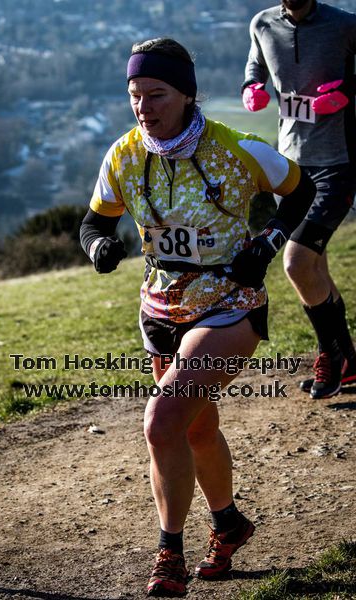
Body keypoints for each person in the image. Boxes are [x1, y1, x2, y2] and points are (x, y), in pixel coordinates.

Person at [80, 38, 315, 597]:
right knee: (197, 427)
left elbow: (302, 190)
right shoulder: (124, 154)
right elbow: (93, 224)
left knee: (161, 423)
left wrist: (269, 241)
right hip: (160, 310)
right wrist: (99, 249)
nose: (144, 107)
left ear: (186, 94)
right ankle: (230, 524)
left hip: (230, 306)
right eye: (135, 95)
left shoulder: (235, 148)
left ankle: (170, 554)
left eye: (156, 94)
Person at [242, 0, 356, 399]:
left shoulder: (345, 25)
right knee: (316, 267)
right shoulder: (262, 24)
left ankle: (330, 355)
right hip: (290, 170)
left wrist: (345, 91)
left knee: (296, 261)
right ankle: (350, 363)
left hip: (339, 162)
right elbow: (255, 66)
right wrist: (251, 89)